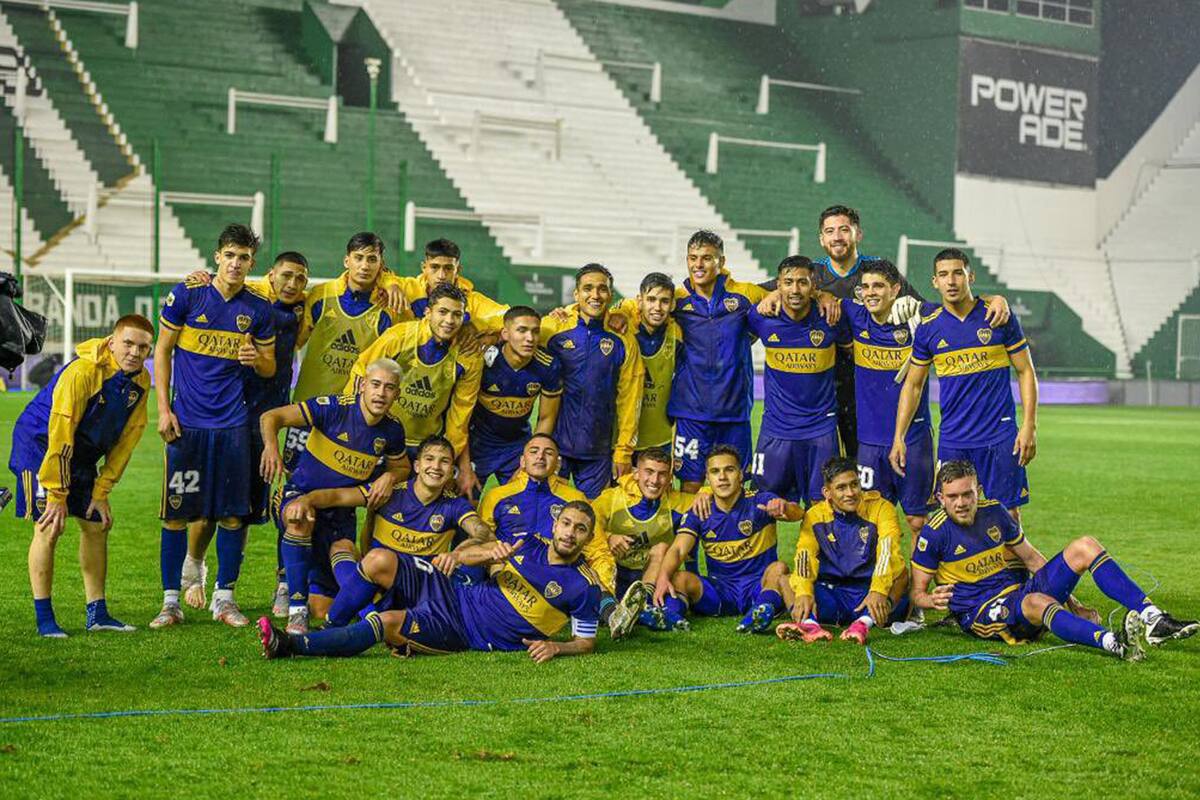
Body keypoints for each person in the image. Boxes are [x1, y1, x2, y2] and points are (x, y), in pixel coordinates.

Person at [910, 461, 1197, 659]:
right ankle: (1114, 643)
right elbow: (917, 593)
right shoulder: (933, 534)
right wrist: (930, 600)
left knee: (1085, 546)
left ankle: (1153, 618)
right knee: (1037, 602)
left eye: (967, 494)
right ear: (940, 498)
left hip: (1020, 591)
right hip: (983, 611)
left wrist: (1074, 603)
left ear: (979, 491)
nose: (961, 503)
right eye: (953, 497)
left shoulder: (995, 513)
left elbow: (1032, 559)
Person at [256, 501, 602, 662]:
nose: (570, 533)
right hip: (452, 591)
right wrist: (480, 556)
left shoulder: (584, 585)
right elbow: (472, 554)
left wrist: (557, 647)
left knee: (387, 622)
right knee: (378, 559)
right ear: (555, 525)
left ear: (588, 538)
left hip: (462, 630)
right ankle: (331, 628)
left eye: (580, 529)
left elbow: (585, 642)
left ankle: (291, 646)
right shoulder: (529, 543)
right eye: (566, 524)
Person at [152, 224, 276, 629]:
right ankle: (170, 603)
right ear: (217, 256)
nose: (236, 263)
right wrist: (164, 410)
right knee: (176, 514)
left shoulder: (258, 309)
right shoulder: (188, 294)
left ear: (251, 263)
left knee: (233, 514)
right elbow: (163, 351)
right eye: (230, 255)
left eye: (244, 257)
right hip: (187, 425)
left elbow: (270, 366)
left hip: (232, 426)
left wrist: (256, 359)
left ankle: (224, 598)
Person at [177, 251, 311, 614]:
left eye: (300, 278)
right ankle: (194, 568)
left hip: (269, 416)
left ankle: (228, 587)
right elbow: (224, 282)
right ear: (270, 275)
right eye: (286, 275)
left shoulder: (306, 306)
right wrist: (204, 278)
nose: (292, 284)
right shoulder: (252, 297)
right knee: (209, 505)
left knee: (245, 507)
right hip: (228, 414)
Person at [9, 315, 154, 636]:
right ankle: (45, 619)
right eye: (128, 343)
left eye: (143, 347)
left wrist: (102, 491)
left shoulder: (141, 381)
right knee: (49, 526)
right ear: (112, 342)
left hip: (80, 451)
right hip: (40, 445)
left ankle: (97, 614)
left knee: (97, 524)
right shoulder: (83, 371)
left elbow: (127, 440)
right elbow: (61, 431)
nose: (134, 352)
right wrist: (57, 494)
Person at [258, 358, 409, 633]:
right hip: (299, 494)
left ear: (397, 394)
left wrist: (389, 476)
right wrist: (270, 447)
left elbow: (402, 467)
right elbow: (271, 417)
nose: (381, 393)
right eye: (375, 385)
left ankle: (359, 608)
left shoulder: (392, 430)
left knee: (323, 607)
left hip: (340, 510)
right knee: (300, 517)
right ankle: (296, 609)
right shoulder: (334, 408)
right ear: (362, 385)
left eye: (389, 388)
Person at [891, 248, 1037, 526]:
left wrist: (1029, 425)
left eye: (958, 273)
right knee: (952, 516)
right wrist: (899, 436)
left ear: (970, 276)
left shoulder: (998, 316)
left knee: (1007, 515)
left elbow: (1025, 370)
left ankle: (1010, 558)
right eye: (944, 275)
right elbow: (913, 385)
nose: (951, 281)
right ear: (935, 281)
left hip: (1000, 435)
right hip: (954, 439)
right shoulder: (929, 329)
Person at [346, 283, 483, 498]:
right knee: (362, 499)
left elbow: (460, 415)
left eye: (456, 315)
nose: (449, 320)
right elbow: (362, 372)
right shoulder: (400, 336)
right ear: (428, 312)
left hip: (425, 444)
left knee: (416, 507)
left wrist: (446, 455)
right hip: (379, 434)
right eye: (443, 312)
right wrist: (353, 424)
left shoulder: (469, 357)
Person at [652, 445, 796, 633]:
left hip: (759, 585)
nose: (722, 477)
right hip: (721, 591)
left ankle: (760, 610)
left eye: (729, 470)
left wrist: (784, 506)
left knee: (779, 568)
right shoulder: (700, 510)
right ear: (708, 478)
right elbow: (678, 550)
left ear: (741, 474)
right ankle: (669, 616)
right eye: (715, 471)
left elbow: (798, 513)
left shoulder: (760, 501)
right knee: (678, 578)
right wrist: (663, 578)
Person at [840, 259, 936, 534]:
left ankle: (920, 566)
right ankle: (881, 564)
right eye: (865, 287)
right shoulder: (854, 314)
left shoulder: (916, 318)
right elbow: (818, 297)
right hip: (870, 441)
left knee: (917, 520)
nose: (870, 292)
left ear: (895, 289)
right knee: (869, 519)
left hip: (913, 439)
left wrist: (921, 308)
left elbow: (958, 307)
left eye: (879, 286)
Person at [746, 255, 852, 505]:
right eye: (788, 282)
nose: (795, 289)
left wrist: (826, 296)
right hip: (776, 427)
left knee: (823, 504)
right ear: (778, 286)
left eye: (802, 282)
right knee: (763, 504)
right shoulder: (761, 317)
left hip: (821, 428)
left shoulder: (832, 317)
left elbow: (855, 356)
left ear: (813, 286)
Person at [775, 457, 908, 646]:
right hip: (831, 592)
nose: (850, 493)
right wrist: (804, 593)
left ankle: (863, 624)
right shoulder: (815, 515)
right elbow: (805, 556)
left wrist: (878, 590)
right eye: (841, 488)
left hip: (869, 593)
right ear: (827, 492)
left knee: (902, 575)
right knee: (786, 581)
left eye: (854, 484)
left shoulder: (881, 508)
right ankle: (810, 626)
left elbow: (888, 549)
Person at [538, 263, 643, 499]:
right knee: (550, 513)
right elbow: (516, 332)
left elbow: (631, 400)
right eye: (587, 288)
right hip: (555, 447)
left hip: (598, 451)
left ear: (611, 295)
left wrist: (623, 452)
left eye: (602, 289)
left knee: (593, 516)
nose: (595, 295)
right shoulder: (553, 328)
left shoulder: (623, 339)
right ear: (576, 294)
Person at [477, 434, 616, 601]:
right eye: (534, 451)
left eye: (548, 453)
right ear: (522, 461)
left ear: (558, 463)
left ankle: (605, 608)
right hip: (508, 580)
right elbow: (480, 543)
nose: (540, 457)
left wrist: (605, 592)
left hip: (558, 585)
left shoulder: (575, 499)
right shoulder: (496, 497)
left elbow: (598, 551)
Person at [591, 446, 695, 638]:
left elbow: (714, 499)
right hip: (613, 573)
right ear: (636, 473)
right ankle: (624, 612)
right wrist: (609, 537)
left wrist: (705, 491)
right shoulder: (612, 498)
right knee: (588, 571)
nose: (654, 480)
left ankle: (643, 605)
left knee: (662, 548)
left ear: (670, 478)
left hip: (650, 577)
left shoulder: (676, 502)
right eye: (649, 472)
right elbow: (586, 523)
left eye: (662, 474)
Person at [291, 232, 405, 404]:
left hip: (351, 409)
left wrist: (391, 282)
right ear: (347, 261)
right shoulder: (321, 295)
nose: (364, 266)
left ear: (381, 265)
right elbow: (294, 341)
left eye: (372, 259)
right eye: (358, 258)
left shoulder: (389, 309)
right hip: (308, 404)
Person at [469, 306, 563, 488]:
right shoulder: (482, 360)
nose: (530, 338)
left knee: (523, 500)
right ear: (505, 334)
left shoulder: (548, 365)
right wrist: (464, 463)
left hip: (517, 446)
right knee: (466, 498)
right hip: (477, 443)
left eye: (535, 331)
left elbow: (546, 418)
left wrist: (531, 456)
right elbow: (461, 413)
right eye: (522, 330)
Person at [395, 238, 508, 334]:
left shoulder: (472, 301)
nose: (441, 276)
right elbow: (384, 277)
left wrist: (477, 326)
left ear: (457, 270)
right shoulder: (406, 287)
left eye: (448, 268)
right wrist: (391, 285)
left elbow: (508, 316)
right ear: (424, 267)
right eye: (435, 267)